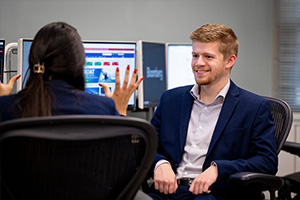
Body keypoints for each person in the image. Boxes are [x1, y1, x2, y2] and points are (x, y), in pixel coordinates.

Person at [146, 24, 278, 200]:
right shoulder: (170, 99)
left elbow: (267, 161)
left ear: (229, 61)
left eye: (208, 56)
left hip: (214, 194)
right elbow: (145, 145)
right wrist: (159, 163)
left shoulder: (254, 107)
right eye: (195, 55)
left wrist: (219, 169)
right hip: (166, 192)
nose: (198, 63)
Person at [0, 22, 143, 122]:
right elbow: (124, 160)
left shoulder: (6, 109)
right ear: (78, 64)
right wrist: (120, 112)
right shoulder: (102, 109)